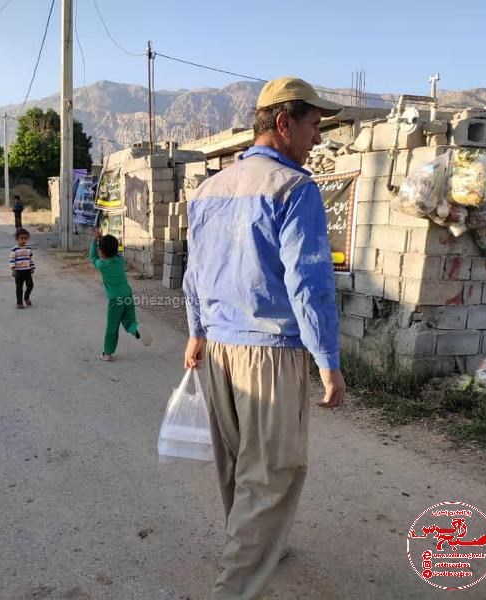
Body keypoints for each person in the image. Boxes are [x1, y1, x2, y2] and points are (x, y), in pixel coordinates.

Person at [182, 77, 348, 599]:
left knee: (238, 461)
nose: (316, 139)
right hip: (269, 350)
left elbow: (194, 272)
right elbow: (309, 280)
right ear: (284, 124)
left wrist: (196, 331)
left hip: (218, 350)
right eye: (314, 126)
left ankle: (257, 543)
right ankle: (234, 586)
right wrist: (328, 360)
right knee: (274, 468)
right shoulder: (295, 188)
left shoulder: (209, 188)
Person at [89, 228, 151, 361]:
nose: (99, 250)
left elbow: (92, 257)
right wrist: (101, 241)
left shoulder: (103, 265)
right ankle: (137, 329)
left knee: (112, 326)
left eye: (100, 249)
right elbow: (110, 250)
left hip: (115, 300)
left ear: (103, 252)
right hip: (127, 296)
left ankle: (107, 353)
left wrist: (95, 240)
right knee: (129, 322)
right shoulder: (120, 260)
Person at [9, 228, 35, 308]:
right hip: (18, 272)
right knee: (19, 288)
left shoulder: (28, 249)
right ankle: (19, 303)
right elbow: (12, 260)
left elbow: (30, 259)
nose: (23, 240)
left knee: (30, 285)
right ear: (17, 239)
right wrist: (13, 270)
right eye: (21, 238)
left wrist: (32, 267)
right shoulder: (14, 249)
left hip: (27, 271)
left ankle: (26, 297)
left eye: (25, 239)